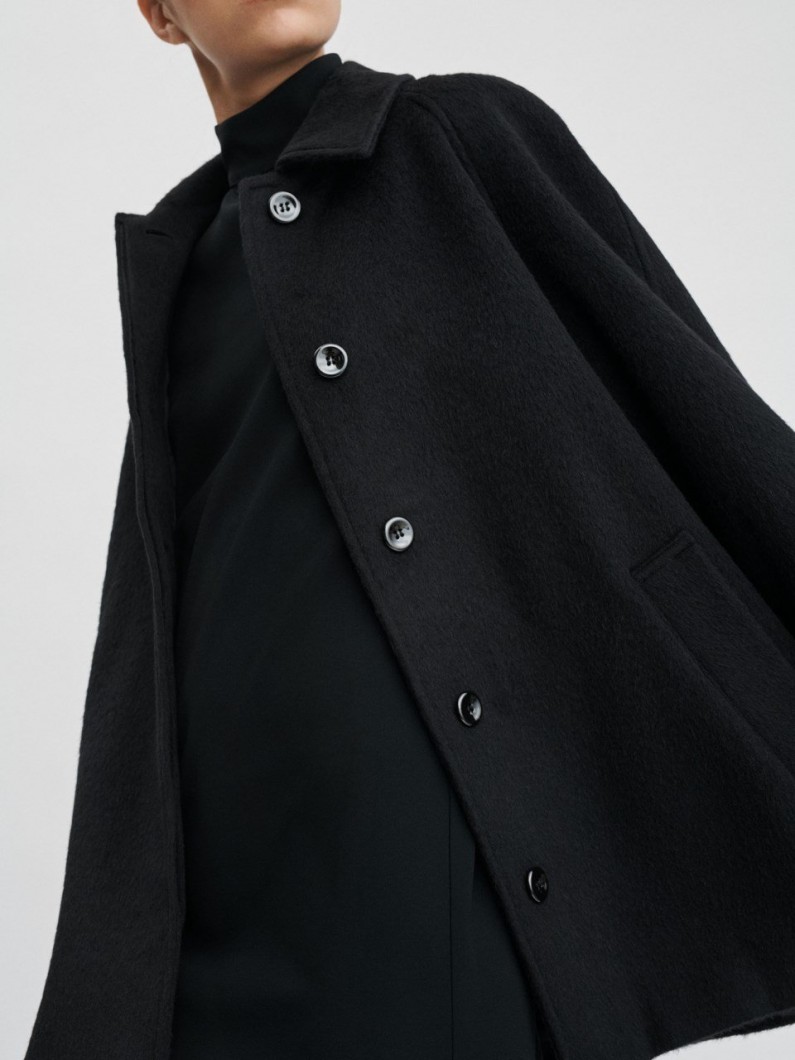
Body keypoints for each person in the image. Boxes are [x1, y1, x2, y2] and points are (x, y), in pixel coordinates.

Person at [24, 2, 795, 1059]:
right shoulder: (183, 259)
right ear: (160, 14)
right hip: (221, 896)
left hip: (430, 863)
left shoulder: (460, 138)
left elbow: (696, 407)